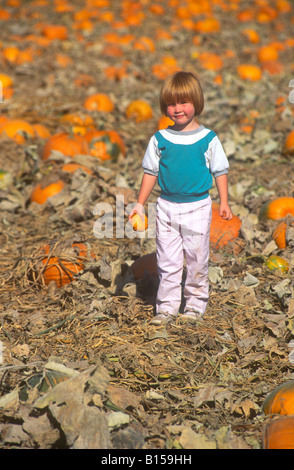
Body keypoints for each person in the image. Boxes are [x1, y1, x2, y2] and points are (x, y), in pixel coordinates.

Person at [129, 71, 232, 326]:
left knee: (197, 259)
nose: (178, 109)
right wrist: (140, 204)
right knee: (167, 261)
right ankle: (166, 307)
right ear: (165, 108)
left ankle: (195, 305)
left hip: (197, 206)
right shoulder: (160, 139)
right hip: (166, 206)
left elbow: (220, 171)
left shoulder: (208, 139)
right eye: (172, 104)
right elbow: (150, 172)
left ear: (197, 102)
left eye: (184, 102)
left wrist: (225, 202)